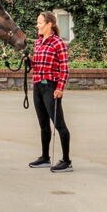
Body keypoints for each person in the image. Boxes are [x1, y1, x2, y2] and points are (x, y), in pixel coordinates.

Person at [28, 10, 73, 173]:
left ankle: (66, 161)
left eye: (39, 23)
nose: (37, 25)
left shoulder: (58, 43)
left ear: (50, 24)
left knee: (59, 124)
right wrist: (29, 60)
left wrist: (60, 88)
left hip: (51, 87)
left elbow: (64, 68)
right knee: (43, 124)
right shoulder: (38, 42)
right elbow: (36, 66)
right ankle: (45, 157)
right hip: (38, 86)